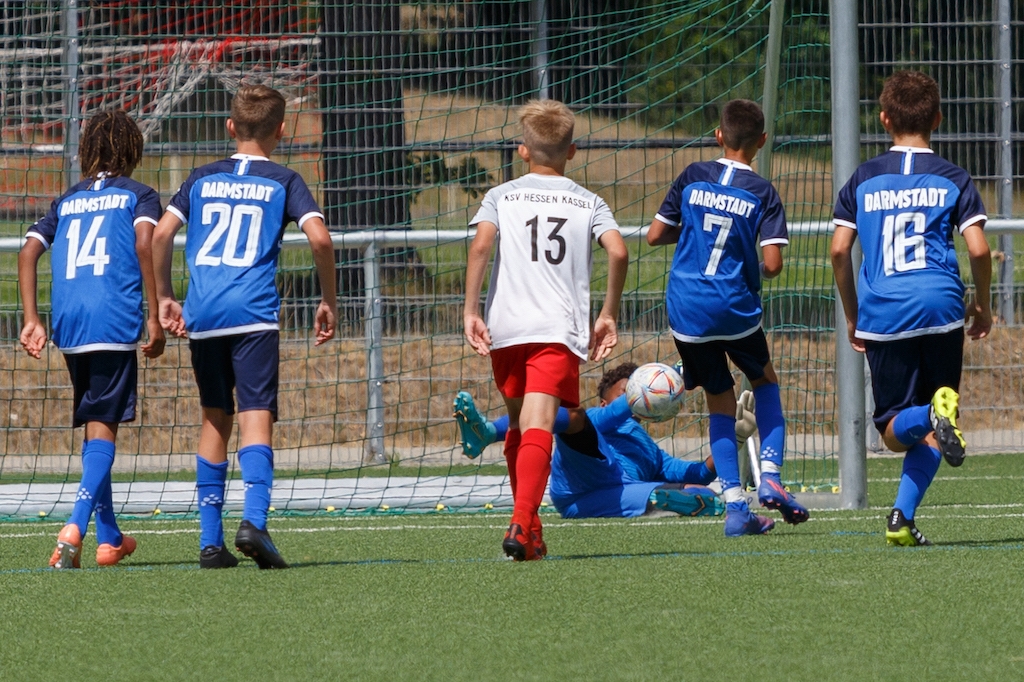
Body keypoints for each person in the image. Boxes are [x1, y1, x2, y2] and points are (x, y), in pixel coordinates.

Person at [152, 85, 338, 569]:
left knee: (215, 417)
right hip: (253, 314)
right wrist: (328, 299)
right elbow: (320, 239)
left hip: (204, 313)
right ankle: (254, 521)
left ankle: (210, 544)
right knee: (257, 413)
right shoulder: (284, 179)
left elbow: (161, 233)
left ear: (231, 126)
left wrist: (165, 297)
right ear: (282, 130)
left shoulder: (201, 177)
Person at [463, 99, 629, 560]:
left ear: (522, 151)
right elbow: (618, 252)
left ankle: (530, 531)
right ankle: (521, 523)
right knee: (539, 426)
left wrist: (471, 310)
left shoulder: (502, 195)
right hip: (555, 329)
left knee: (519, 425)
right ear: (572, 151)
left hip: (507, 326)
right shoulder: (589, 201)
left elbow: (481, 247)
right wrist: (608, 313)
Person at [831, 70, 991, 547]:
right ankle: (901, 517)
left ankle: (927, 417)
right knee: (936, 418)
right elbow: (979, 249)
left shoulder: (863, 178)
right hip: (941, 308)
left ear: (884, 119)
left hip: (884, 311)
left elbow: (839, 251)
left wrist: (853, 315)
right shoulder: (953, 177)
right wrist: (982, 304)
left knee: (892, 430)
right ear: (937, 119)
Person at [646, 99, 809, 537]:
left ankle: (736, 507)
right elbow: (772, 264)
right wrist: (753, 259)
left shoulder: (692, 175)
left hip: (686, 309)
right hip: (734, 306)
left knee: (718, 398)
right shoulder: (763, 192)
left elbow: (655, 235)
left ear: (718, 135)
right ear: (762, 141)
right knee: (765, 381)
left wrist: (694, 230)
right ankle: (770, 475)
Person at [19, 110, 164, 568]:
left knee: (96, 423)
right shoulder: (139, 195)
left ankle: (110, 537)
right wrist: (155, 313)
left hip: (69, 322)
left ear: (86, 151)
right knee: (104, 423)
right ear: (132, 150)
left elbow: (28, 251)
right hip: (112, 318)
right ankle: (75, 527)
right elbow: (145, 244)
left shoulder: (67, 199)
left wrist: (31, 319)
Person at [454, 363, 760, 521]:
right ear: (604, 401)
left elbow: (699, 472)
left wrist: (734, 437)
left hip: (614, 495)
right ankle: (489, 432)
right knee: (572, 420)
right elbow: (612, 414)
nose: (637, 396)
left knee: (700, 490)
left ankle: (663, 503)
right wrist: (666, 375)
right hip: (581, 481)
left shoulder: (647, 448)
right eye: (627, 392)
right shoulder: (598, 417)